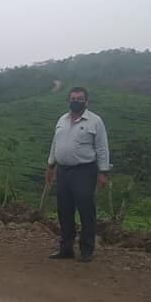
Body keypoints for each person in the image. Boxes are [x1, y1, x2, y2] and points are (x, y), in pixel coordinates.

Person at [45, 87, 110, 262]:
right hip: (63, 171)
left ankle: (87, 249)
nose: (76, 101)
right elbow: (55, 143)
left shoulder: (95, 121)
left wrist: (103, 172)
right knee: (64, 210)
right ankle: (66, 248)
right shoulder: (62, 120)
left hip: (84, 171)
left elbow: (102, 148)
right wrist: (50, 165)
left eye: (79, 98)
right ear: (68, 100)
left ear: (86, 101)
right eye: (73, 98)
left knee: (86, 210)